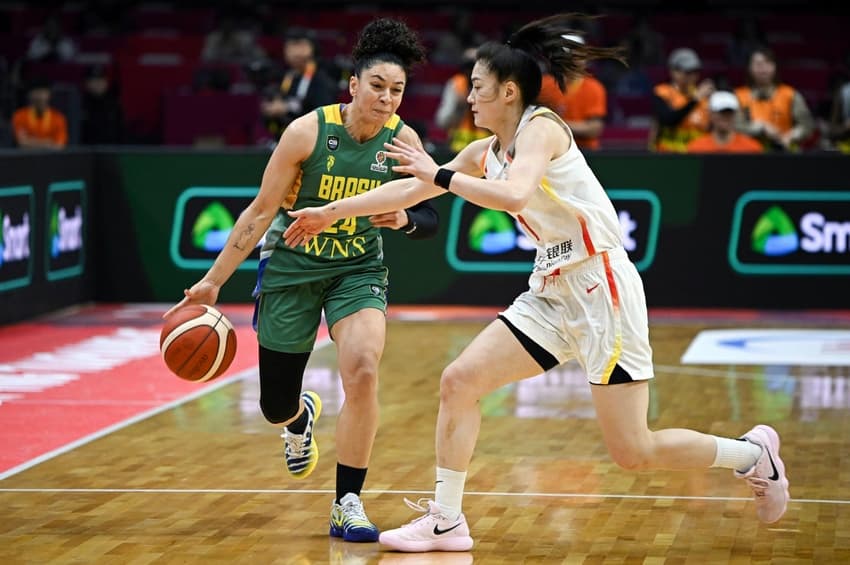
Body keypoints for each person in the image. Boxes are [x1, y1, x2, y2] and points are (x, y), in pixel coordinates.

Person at [283, 13, 790, 553]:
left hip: (602, 289)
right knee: (459, 381)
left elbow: (515, 195)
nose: (470, 98)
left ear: (507, 90)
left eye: (477, 88)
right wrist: (330, 211)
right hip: (550, 289)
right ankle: (447, 519)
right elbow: (409, 193)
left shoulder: (542, 128)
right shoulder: (484, 152)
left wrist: (438, 174)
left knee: (632, 450)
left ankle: (751, 454)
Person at [164, 18, 437, 543]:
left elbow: (429, 219)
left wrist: (403, 219)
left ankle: (347, 503)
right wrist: (212, 283)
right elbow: (261, 211)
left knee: (361, 368)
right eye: (377, 87)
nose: (386, 99)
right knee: (274, 405)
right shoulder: (307, 132)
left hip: (357, 269)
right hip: (291, 268)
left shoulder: (403, 141)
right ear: (353, 86)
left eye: (397, 90)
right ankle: (297, 419)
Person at [259, 27, 339, 146]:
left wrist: (287, 108)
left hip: (313, 143)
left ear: (312, 48)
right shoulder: (284, 76)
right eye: (290, 47)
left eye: (301, 46)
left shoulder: (322, 78)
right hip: (285, 141)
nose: (296, 52)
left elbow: (324, 113)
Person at [734, 47, 815, 152]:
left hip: (784, 152)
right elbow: (735, 127)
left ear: (775, 67)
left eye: (768, 63)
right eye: (758, 64)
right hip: (749, 152)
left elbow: (807, 126)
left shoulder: (790, 94)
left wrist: (791, 136)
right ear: (749, 68)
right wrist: (760, 128)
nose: (763, 68)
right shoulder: (738, 95)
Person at [537, 34, 608, 151]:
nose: (574, 59)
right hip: (549, 151)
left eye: (578, 55)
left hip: (585, 151)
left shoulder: (594, 88)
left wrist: (558, 125)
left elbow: (594, 129)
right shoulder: (543, 85)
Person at [651, 47, 715, 152]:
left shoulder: (705, 96)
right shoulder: (662, 92)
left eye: (695, 71)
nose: (692, 76)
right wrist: (695, 100)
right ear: (673, 71)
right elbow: (668, 120)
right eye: (687, 71)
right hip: (667, 155)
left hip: (696, 157)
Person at [434, 45, 490, 154]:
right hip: (458, 148)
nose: (471, 70)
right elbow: (442, 121)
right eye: (468, 65)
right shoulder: (456, 84)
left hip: (484, 149)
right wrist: (459, 107)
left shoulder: (490, 85)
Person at [686, 91, 763, 153]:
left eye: (730, 112)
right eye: (721, 112)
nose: (726, 117)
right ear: (711, 114)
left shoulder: (752, 148)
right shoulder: (696, 148)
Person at [12, 78, 68, 149]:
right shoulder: (19, 116)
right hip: (27, 158)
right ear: (29, 95)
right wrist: (48, 142)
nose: (39, 97)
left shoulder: (58, 118)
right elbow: (22, 143)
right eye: (36, 92)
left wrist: (32, 142)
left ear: (49, 94)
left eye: (43, 92)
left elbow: (59, 145)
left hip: (51, 158)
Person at [80, 65, 124, 145]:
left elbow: (120, 130)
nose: (98, 83)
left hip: (111, 150)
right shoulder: (79, 103)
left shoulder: (113, 103)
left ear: (106, 82)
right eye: (94, 80)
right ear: (86, 83)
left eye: (101, 80)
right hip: (85, 151)